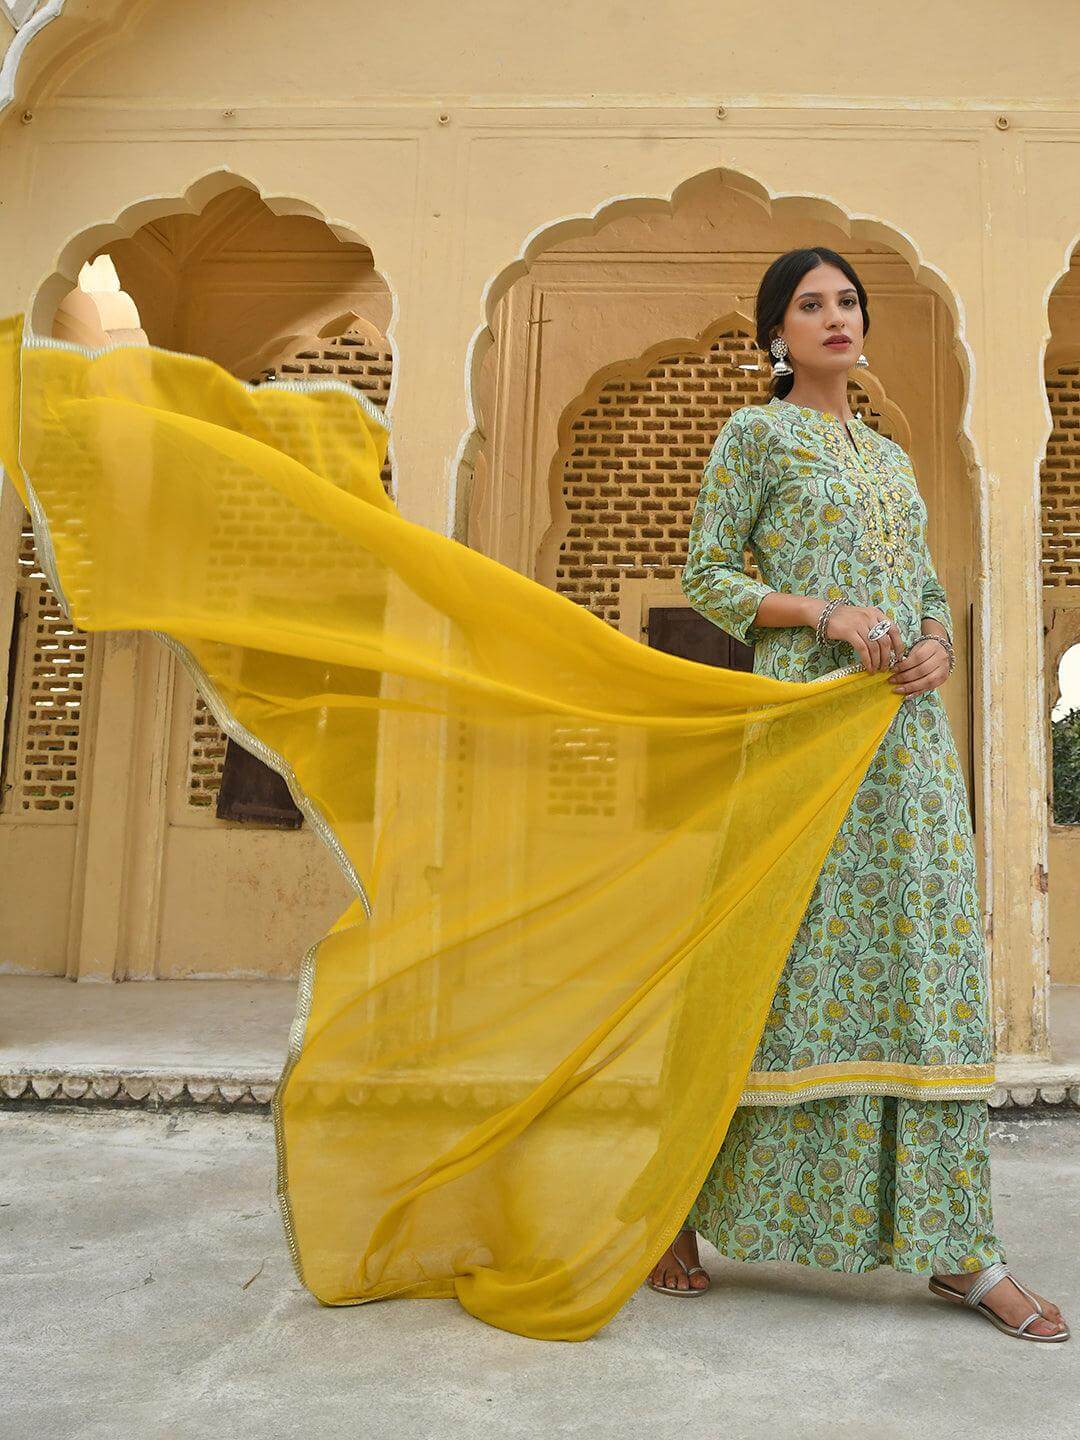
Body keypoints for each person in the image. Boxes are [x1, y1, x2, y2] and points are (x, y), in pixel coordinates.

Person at [647, 246, 1069, 1343]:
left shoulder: (887, 457)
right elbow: (709, 575)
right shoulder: (755, 435)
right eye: (807, 305)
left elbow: (927, 581)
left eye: (846, 302)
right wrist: (826, 615)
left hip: (906, 745)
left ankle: (958, 1251)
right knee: (780, 965)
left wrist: (933, 636)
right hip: (804, 731)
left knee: (923, 964)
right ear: (773, 336)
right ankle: (676, 1211)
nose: (833, 318)